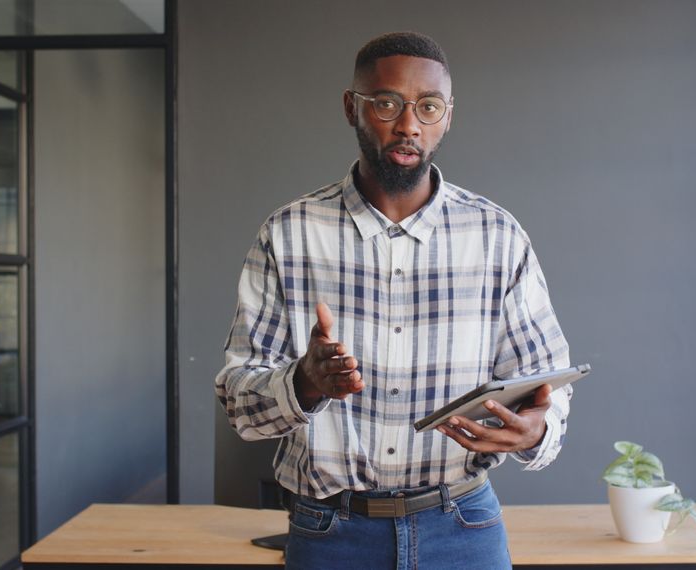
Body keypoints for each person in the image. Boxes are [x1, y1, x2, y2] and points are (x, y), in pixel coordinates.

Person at [215, 31, 572, 570]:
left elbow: (546, 381)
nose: (409, 125)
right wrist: (304, 382)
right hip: (329, 533)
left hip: (463, 529)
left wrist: (536, 429)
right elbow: (240, 404)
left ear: (447, 117)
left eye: (428, 107)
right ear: (351, 108)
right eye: (387, 103)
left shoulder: (497, 236)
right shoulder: (288, 235)